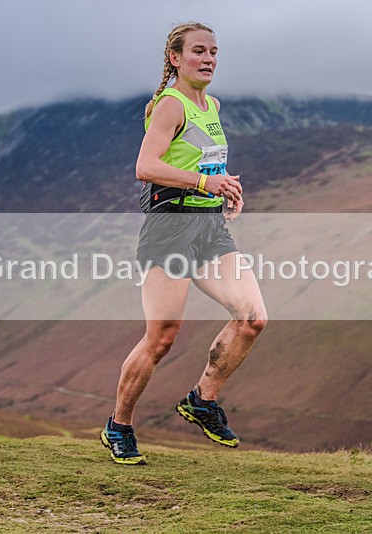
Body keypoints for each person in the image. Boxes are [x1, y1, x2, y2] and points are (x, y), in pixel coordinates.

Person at [100, 22, 267, 465]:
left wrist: (227, 190)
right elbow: (146, 165)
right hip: (170, 229)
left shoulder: (211, 104)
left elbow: (208, 164)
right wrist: (202, 184)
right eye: (198, 51)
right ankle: (119, 425)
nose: (208, 58)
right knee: (161, 338)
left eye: (213, 51)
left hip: (210, 228)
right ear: (175, 58)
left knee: (252, 318)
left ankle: (202, 400)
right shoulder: (169, 106)